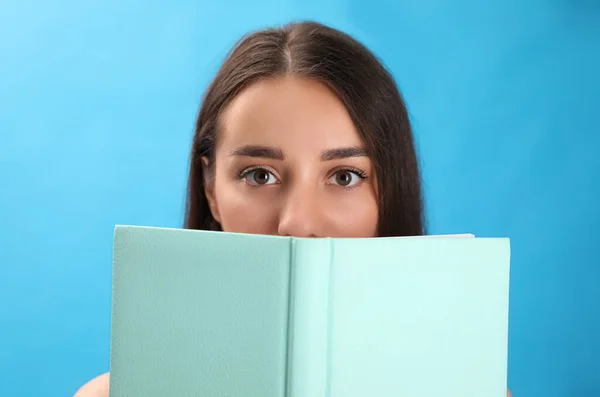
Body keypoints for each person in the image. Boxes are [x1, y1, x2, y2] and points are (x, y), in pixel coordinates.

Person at [73, 20, 512, 397]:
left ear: (391, 189)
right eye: (259, 175)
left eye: (345, 176)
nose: (298, 224)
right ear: (210, 189)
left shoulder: (472, 389)